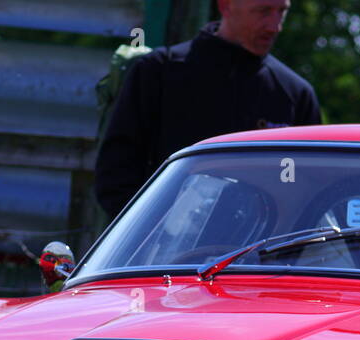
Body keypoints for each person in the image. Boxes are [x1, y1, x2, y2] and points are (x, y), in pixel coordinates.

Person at [93, 0, 321, 220]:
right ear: (225, 5)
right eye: (263, 11)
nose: (274, 25)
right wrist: (156, 234)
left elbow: (309, 190)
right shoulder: (159, 72)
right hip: (161, 252)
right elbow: (115, 176)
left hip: (259, 255)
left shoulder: (295, 94)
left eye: (282, 11)